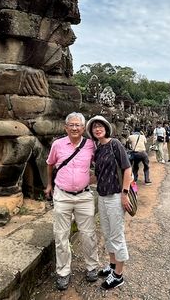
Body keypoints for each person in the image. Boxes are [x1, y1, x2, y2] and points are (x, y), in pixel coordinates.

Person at [44, 112, 99, 291]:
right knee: (61, 235)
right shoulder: (57, 145)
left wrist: (94, 178)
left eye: (78, 125)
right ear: (66, 127)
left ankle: (92, 266)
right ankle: (63, 271)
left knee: (88, 234)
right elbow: (49, 164)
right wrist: (49, 185)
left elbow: (101, 163)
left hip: (84, 196)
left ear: (83, 128)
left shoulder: (90, 145)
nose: (75, 128)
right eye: (71, 125)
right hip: (62, 195)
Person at [86, 115, 132, 290]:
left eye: (100, 126)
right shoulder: (98, 149)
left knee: (117, 234)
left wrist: (124, 194)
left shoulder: (115, 144)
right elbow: (98, 175)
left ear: (106, 128)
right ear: (91, 131)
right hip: (102, 196)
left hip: (115, 196)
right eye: (94, 127)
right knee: (107, 233)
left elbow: (127, 168)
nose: (97, 129)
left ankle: (118, 275)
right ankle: (112, 266)